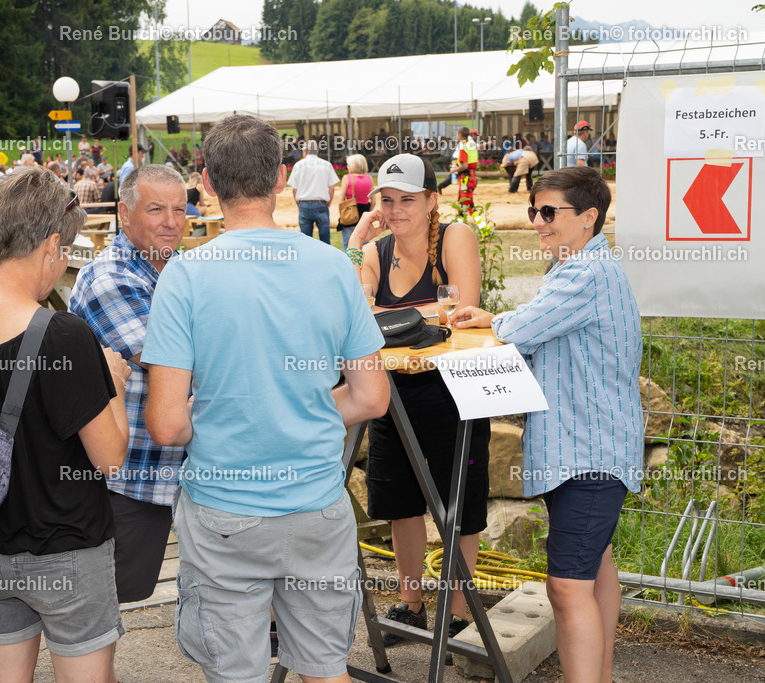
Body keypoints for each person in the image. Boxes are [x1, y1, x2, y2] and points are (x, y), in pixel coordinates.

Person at [143, 114, 389, 683]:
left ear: (205, 181)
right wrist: (297, 412)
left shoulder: (185, 275)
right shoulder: (333, 265)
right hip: (318, 508)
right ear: (282, 179)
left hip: (225, 513)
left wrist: (228, 418)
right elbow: (372, 397)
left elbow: (165, 423)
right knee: (326, 671)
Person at [0, 166, 131, 681]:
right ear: (53, 244)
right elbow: (110, 458)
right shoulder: (66, 336)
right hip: (68, 553)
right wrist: (115, 382)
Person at [452, 166, 642, 683]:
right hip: (593, 448)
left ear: (589, 217)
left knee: (566, 587)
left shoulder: (584, 273)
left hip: (588, 453)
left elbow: (523, 326)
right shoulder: (582, 267)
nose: (537, 221)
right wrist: (498, 318)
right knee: (595, 569)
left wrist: (492, 318)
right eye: (534, 210)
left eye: (549, 212)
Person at [346, 152, 489, 652]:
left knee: (458, 501)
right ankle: (411, 602)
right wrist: (356, 244)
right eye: (387, 199)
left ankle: (456, 610)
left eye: (408, 199)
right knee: (399, 502)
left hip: (452, 389)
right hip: (390, 391)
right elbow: (352, 312)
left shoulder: (455, 237)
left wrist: (387, 312)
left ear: (432, 200)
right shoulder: (375, 252)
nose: (397, 209)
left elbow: (461, 309)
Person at [70, 164, 189, 605]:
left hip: (183, 462)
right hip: (132, 471)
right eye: (156, 209)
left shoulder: (178, 268)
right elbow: (170, 364)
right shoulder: (111, 277)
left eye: (179, 208)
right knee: (108, 598)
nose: (172, 221)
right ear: (124, 212)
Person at [288, 140, 338, 245]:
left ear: (305, 151)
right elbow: (332, 188)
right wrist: (328, 203)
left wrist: (299, 204)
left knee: (306, 242)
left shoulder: (298, 165)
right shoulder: (326, 164)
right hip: (321, 204)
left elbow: (294, 189)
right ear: (317, 151)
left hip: (304, 204)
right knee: (325, 241)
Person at [336, 153, 373, 250]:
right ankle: (365, 265)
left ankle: (350, 265)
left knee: (348, 247)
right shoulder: (369, 178)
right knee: (364, 246)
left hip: (350, 215)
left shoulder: (347, 178)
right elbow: (373, 201)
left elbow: (341, 201)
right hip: (364, 215)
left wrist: (342, 214)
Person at [450, 126, 478, 213]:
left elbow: (464, 166)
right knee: (461, 203)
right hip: (472, 176)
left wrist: (453, 170)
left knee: (467, 204)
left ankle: (483, 226)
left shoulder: (463, 147)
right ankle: (459, 224)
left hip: (465, 178)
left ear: (459, 134)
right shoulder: (471, 145)